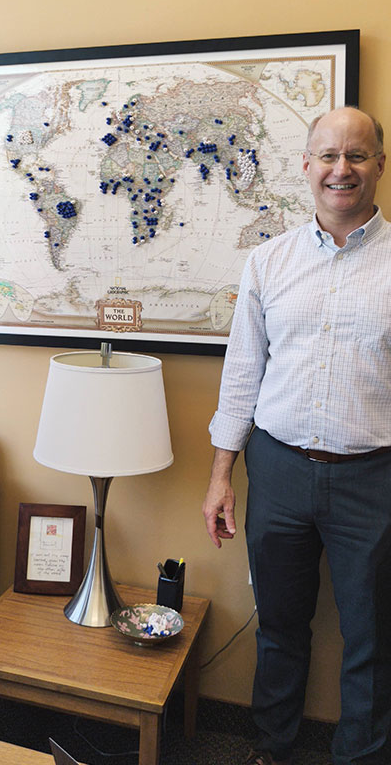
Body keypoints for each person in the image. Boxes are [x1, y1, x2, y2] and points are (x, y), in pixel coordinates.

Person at [203, 106, 391, 765]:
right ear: (306, 166)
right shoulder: (268, 263)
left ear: (379, 167)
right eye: (329, 156)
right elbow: (242, 376)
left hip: (373, 478)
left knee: (372, 639)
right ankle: (273, 750)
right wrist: (222, 475)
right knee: (280, 628)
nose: (343, 170)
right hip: (276, 471)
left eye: (358, 156)